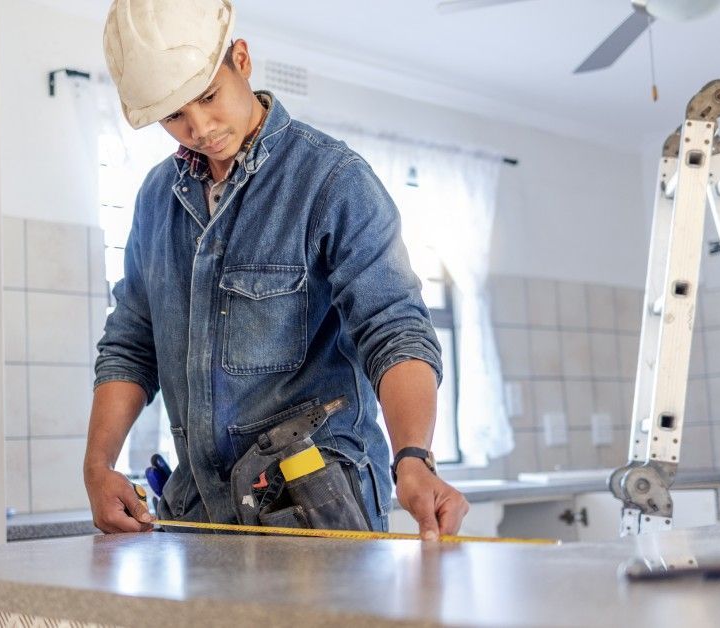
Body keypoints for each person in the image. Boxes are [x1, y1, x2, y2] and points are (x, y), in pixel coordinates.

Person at [84, 0, 468, 541]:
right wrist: (98, 465)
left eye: (208, 97)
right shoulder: (155, 200)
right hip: (197, 513)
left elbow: (395, 330)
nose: (199, 128)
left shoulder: (332, 181)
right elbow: (130, 342)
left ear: (241, 60)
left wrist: (414, 456)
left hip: (316, 507)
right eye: (174, 116)